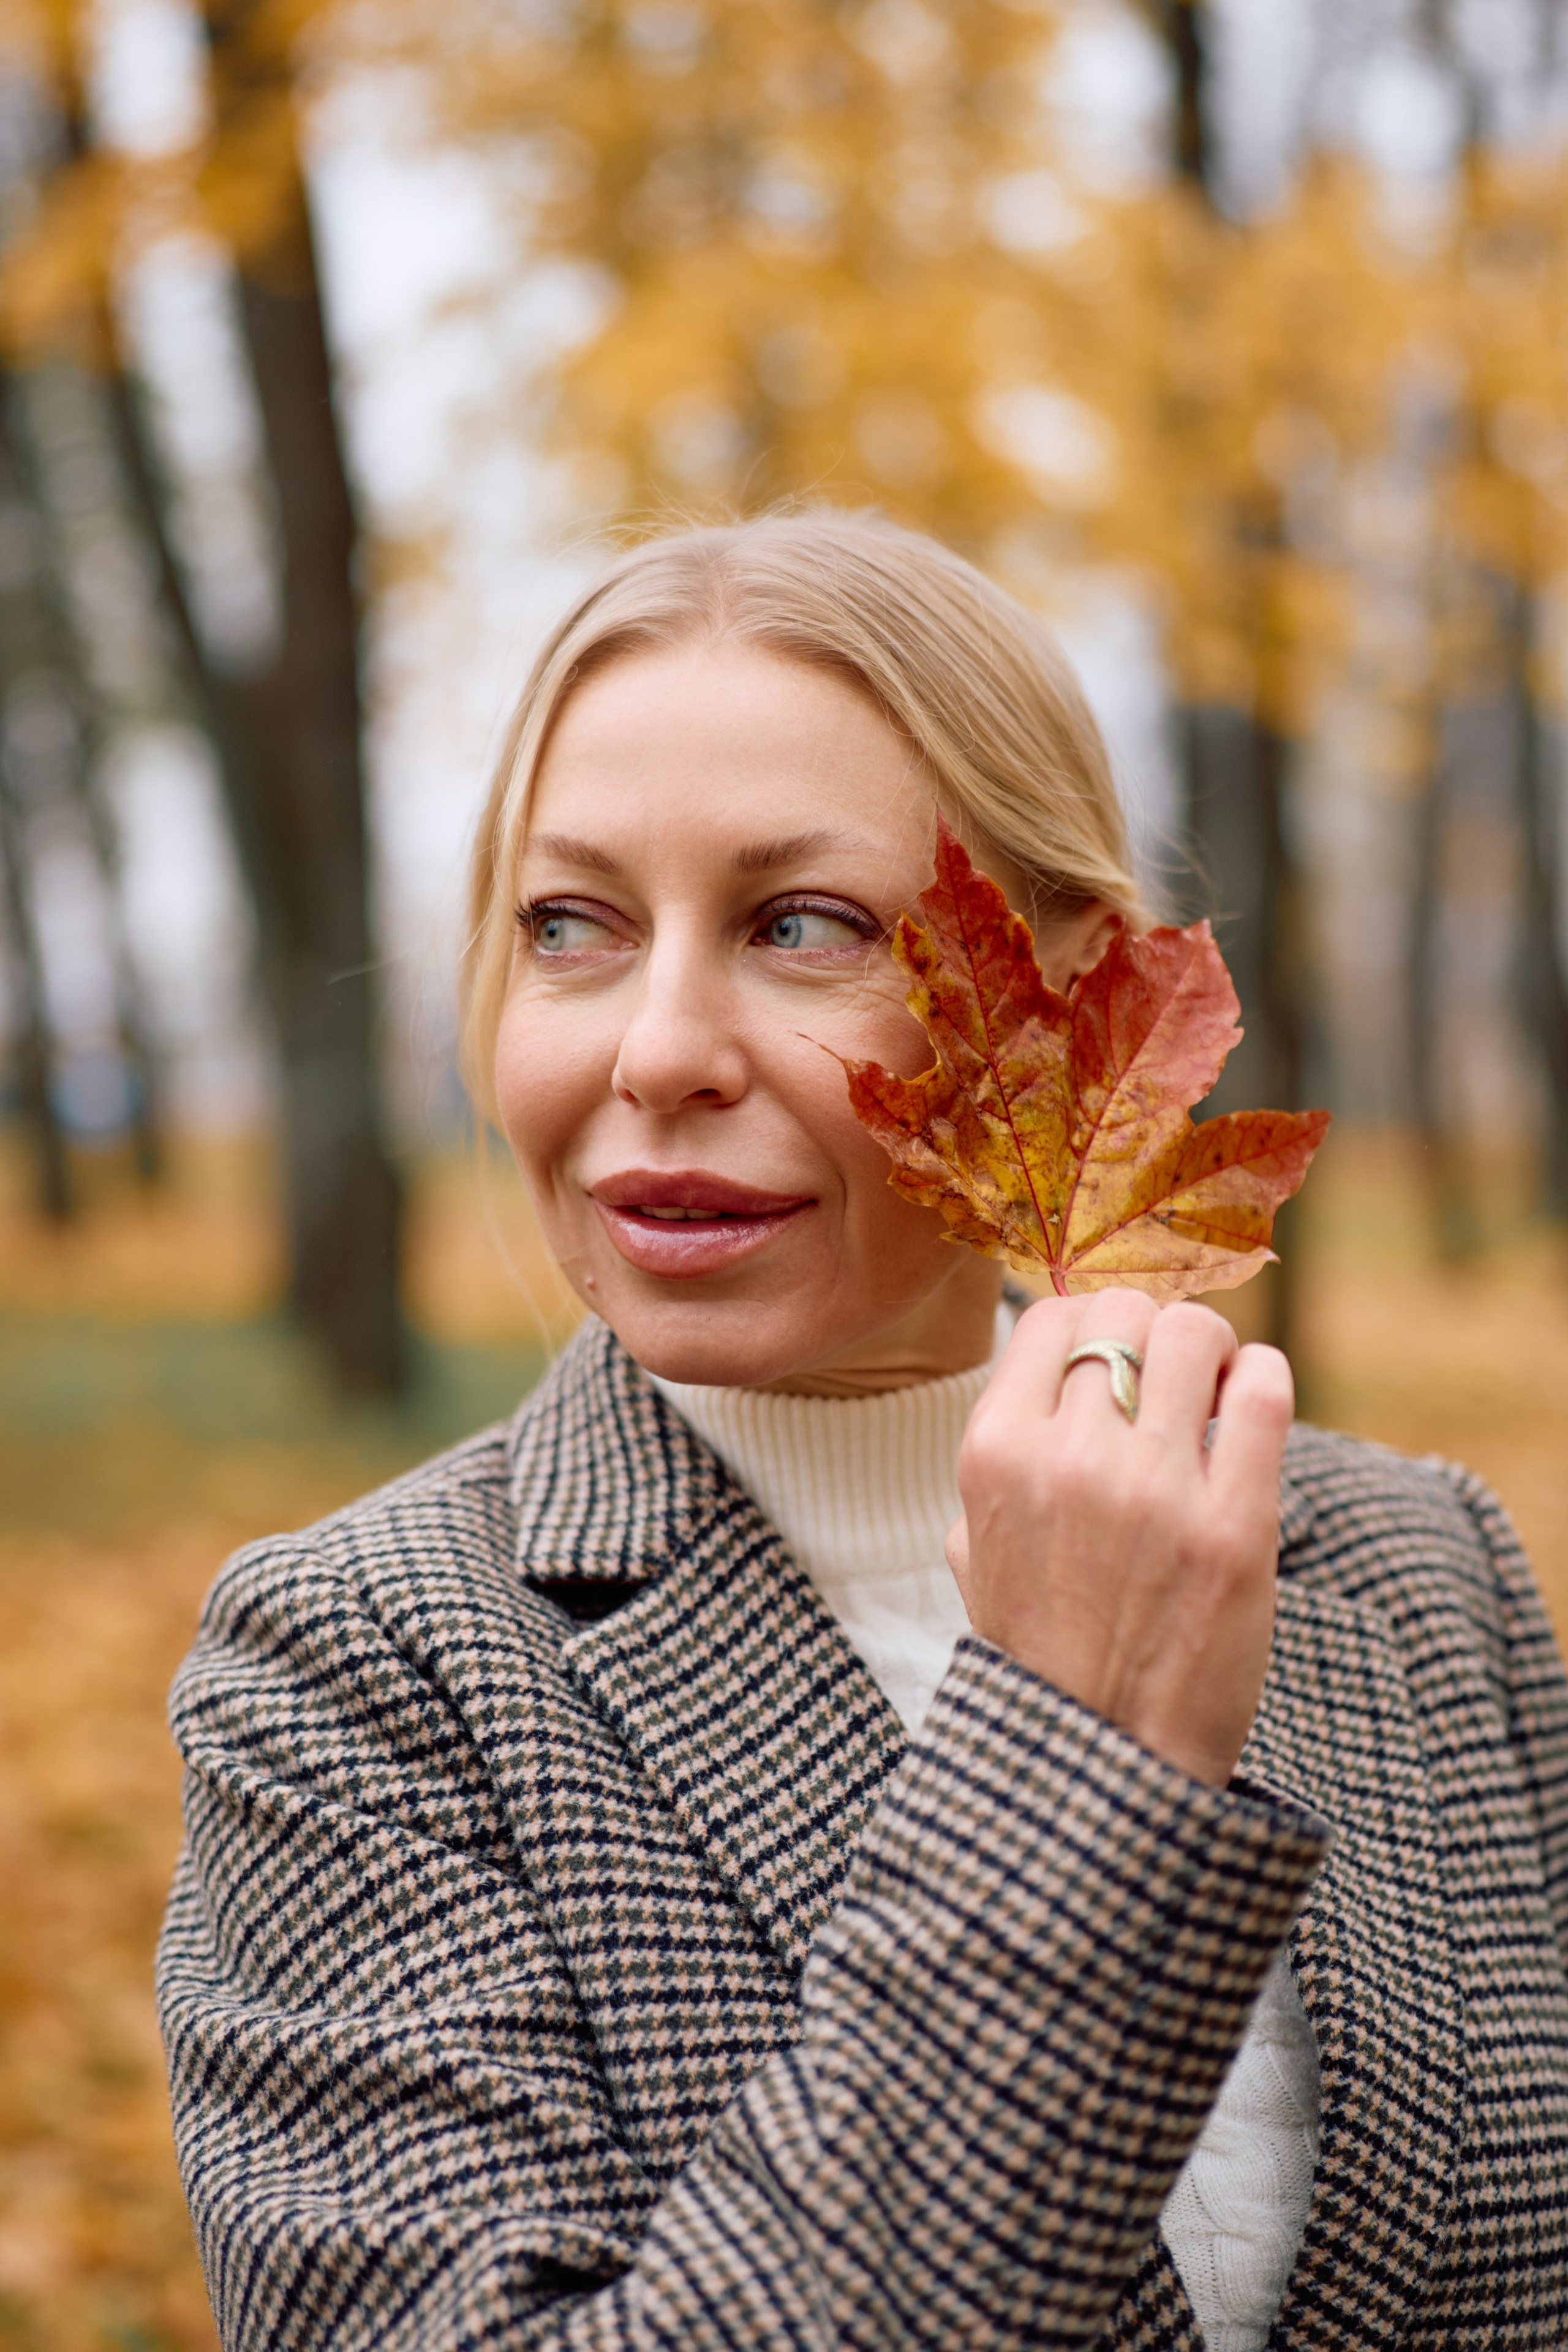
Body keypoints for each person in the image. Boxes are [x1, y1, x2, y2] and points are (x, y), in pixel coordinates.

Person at [157, 510, 1568, 2352]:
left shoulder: (1417, 1566)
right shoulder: (355, 1671)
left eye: (798, 923)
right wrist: (1066, 1766)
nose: (657, 1049)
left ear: (1073, 1004)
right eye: (571, 926)